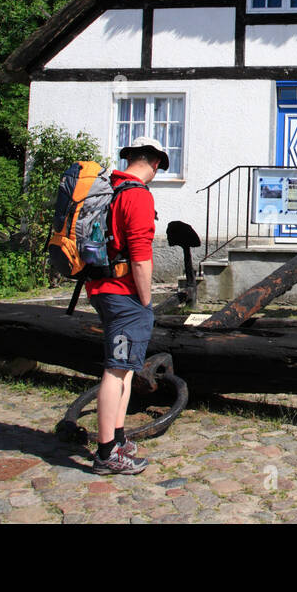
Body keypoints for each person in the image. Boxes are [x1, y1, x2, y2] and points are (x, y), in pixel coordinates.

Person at [89, 135, 169, 475]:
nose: (157, 172)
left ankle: (117, 437)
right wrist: (146, 300)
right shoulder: (136, 196)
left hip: (102, 288)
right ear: (152, 162)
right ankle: (106, 452)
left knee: (123, 368)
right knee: (116, 369)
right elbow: (140, 256)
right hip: (123, 295)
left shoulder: (111, 190)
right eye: (158, 167)